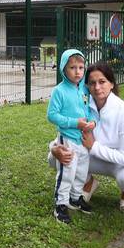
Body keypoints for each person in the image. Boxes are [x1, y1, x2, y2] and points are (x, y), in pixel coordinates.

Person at [49, 62, 124, 213]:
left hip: (118, 162)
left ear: (111, 84)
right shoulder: (83, 104)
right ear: (86, 86)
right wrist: (54, 149)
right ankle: (88, 182)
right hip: (90, 158)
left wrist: (93, 147)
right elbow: (66, 134)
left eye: (102, 82)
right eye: (92, 83)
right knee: (55, 158)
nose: (97, 87)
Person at [47, 49, 96, 224]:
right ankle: (60, 205)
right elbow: (52, 115)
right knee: (67, 172)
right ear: (63, 69)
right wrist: (75, 123)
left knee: (82, 171)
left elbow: (90, 111)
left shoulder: (84, 89)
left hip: (82, 140)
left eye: (81, 67)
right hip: (67, 138)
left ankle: (75, 198)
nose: (77, 72)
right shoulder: (59, 91)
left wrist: (92, 122)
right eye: (72, 67)